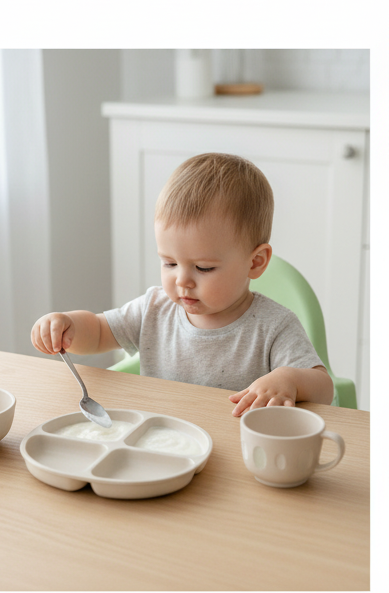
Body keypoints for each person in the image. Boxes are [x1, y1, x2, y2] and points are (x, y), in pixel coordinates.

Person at [30, 152, 333, 416]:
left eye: (203, 267)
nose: (182, 280)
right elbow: (97, 333)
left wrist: (288, 381)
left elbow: (323, 387)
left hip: (237, 450)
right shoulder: (154, 309)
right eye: (169, 263)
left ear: (255, 262)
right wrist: (67, 325)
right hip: (163, 442)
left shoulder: (274, 326)